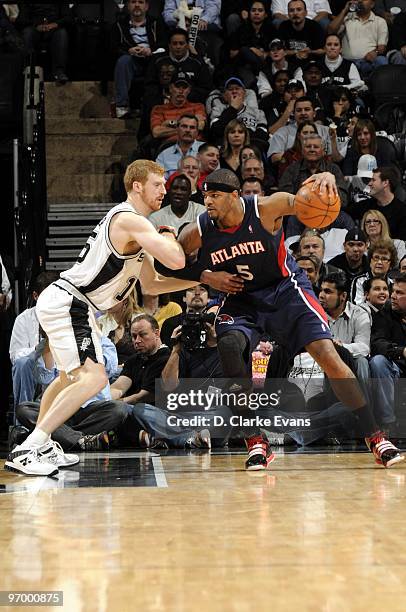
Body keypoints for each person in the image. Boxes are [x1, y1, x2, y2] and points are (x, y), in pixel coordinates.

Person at [163, 167, 403, 470]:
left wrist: (325, 177)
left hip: (285, 291)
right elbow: (168, 265)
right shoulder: (199, 229)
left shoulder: (265, 207)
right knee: (227, 346)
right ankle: (255, 439)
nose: (208, 201)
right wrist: (206, 276)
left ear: (235, 196)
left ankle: (375, 435)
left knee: (327, 355)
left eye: (215, 195)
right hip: (241, 299)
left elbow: (302, 200)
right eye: (206, 194)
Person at [5, 159, 199, 477]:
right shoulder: (130, 219)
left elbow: (152, 284)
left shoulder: (135, 228)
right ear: (137, 186)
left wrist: (203, 277)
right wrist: (170, 234)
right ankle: (30, 447)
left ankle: (39, 443)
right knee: (93, 378)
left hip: (69, 300)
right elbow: (176, 259)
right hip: (73, 301)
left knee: (69, 378)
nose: (164, 190)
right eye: (157, 184)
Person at [9, 271, 60, 407]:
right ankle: (22, 422)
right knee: (22, 363)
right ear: (35, 296)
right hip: (33, 373)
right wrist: (41, 349)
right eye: (46, 297)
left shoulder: (70, 315)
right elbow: (16, 356)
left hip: (61, 369)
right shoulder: (24, 319)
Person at [111, 0, 167, 118]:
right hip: (132, 61)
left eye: (140, 2)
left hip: (152, 60)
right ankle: (122, 106)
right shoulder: (119, 25)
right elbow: (113, 47)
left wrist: (151, 50)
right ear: (128, 6)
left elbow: (165, 45)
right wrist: (129, 50)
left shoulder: (157, 23)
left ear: (146, 6)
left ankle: (162, 105)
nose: (137, 5)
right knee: (123, 61)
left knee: (163, 62)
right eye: (133, 2)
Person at [369, 274, 406, 430]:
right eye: (394, 291)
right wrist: (401, 351)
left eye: (399, 293)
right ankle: (388, 423)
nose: (393, 296)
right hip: (396, 364)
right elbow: (377, 343)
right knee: (378, 362)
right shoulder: (385, 312)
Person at [328, 0, 388, 77]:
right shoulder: (347, 18)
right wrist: (344, 10)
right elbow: (330, 31)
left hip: (367, 62)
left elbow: (382, 47)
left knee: (381, 60)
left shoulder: (380, 21)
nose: (360, 1)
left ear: (372, 4)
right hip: (348, 62)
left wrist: (375, 52)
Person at [348, 167, 406, 240]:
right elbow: (345, 212)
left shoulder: (402, 211)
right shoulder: (366, 205)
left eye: (373, 180)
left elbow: (402, 243)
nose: (369, 183)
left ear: (385, 183)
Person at [155, 114, 205, 178]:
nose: (188, 130)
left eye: (192, 127)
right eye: (184, 126)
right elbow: (158, 179)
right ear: (177, 129)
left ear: (197, 132)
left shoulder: (207, 151)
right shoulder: (163, 155)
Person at [350, 238, 397, 304]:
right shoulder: (360, 281)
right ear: (370, 261)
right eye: (376, 257)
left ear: (391, 264)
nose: (379, 262)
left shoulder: (393, 284)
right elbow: (357, 308)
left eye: (384, 259)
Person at [327, 228, 369, 292]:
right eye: (351, 244)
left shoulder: (370, 265)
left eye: (360, 245)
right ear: (344, 246)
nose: (355, 249)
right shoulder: (333, 265)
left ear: (366, 246)